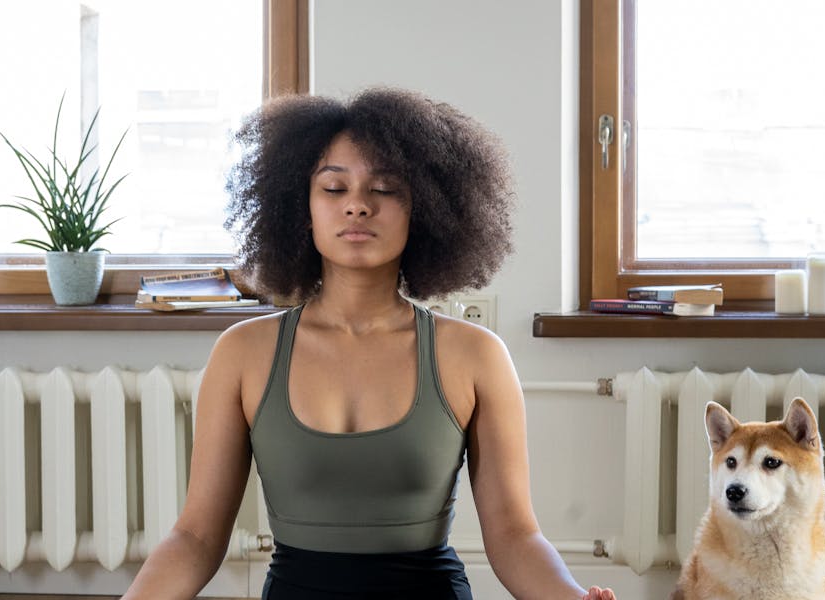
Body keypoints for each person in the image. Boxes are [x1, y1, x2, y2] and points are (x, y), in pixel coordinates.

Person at [122, 88, 616, 600]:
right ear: (301, 208)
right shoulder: (243, 353)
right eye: (334, 188)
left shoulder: (475, 355)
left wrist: (572, 597)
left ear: (423, 209)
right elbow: (196, 536)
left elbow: (515, 537)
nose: (358, 205)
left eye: (385, 189)